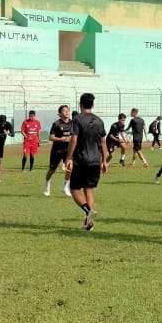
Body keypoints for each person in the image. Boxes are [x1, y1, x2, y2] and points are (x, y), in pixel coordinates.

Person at [65, 93, 108, 231]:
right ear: (93, 105)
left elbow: (74, 139)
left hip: (81, 160)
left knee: (74, 189)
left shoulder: (77, 120)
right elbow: (103, 142)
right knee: (88, 189)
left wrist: (69, 158)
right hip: (95, 160)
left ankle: (88, 210)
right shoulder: (99, 121)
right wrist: (104, 161)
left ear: (80, 104)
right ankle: (88, 223)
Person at [44, 105, 74, 197]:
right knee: (52, 170)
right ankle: (47, 185)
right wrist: (61, 139)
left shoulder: (73, 123)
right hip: (57, 150)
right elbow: (51, 137)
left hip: (68, 150)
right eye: (64, 111)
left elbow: (75, 135)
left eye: (68, 111)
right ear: (60, 114)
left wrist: (71, 138)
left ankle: (65, 187)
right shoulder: (56, 124)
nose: (67, 112)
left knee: (70, 168)